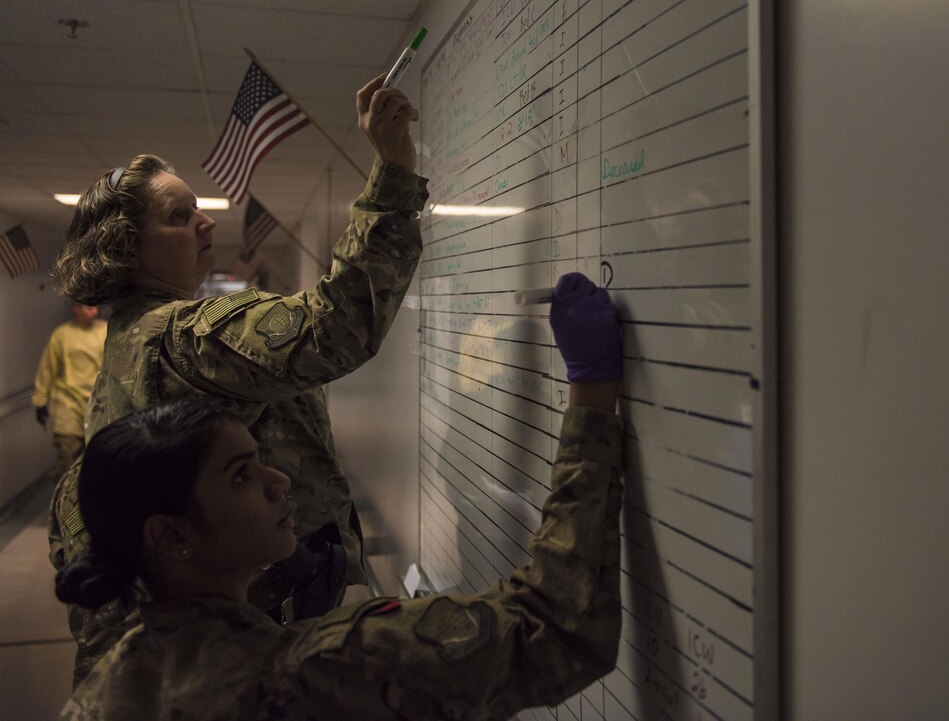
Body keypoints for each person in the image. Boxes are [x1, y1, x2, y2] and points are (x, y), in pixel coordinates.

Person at [53, 272, 624, 720]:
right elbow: (557, 631)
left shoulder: (115, 678)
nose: (278, 482)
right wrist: (592, 394)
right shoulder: (316, 670)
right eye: (241, 476)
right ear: (170, 535)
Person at [47, 74, 428, 685]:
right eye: (178, 217)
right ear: (126, 250)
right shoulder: (184, 337)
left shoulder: (128, 337)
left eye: (198, 209)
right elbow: (338, 325)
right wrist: (394, 171)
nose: (204, 223)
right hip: (244, 638)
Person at [31, 303, 107, 478]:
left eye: (96, 308)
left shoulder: (105, 330)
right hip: (68, 406)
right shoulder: (62, 335)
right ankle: (64, 503)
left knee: (96, 465)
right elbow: (47, 368)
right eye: (89, 308)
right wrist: (39, 401)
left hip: (98, 405)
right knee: (67, 463)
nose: (94, 312)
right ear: (76, 308)